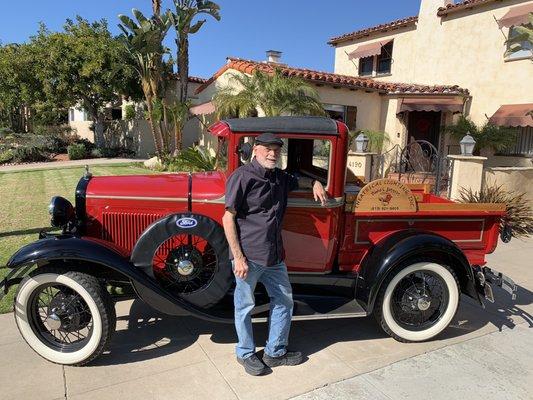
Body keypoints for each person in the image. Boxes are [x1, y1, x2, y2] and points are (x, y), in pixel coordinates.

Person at [222, 132, 328, 376]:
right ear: (256, 149)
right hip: (248, 256)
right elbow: (228, 218)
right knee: (244, 306)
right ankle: (246, 353)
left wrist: (314, 182)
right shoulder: (241, 177)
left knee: (284, 301)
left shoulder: (279, 177)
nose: (272, 154)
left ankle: (275, 352)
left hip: (275, 255)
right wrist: (237, 257)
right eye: (268, 149)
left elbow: (297, 179)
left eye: (277, 150)